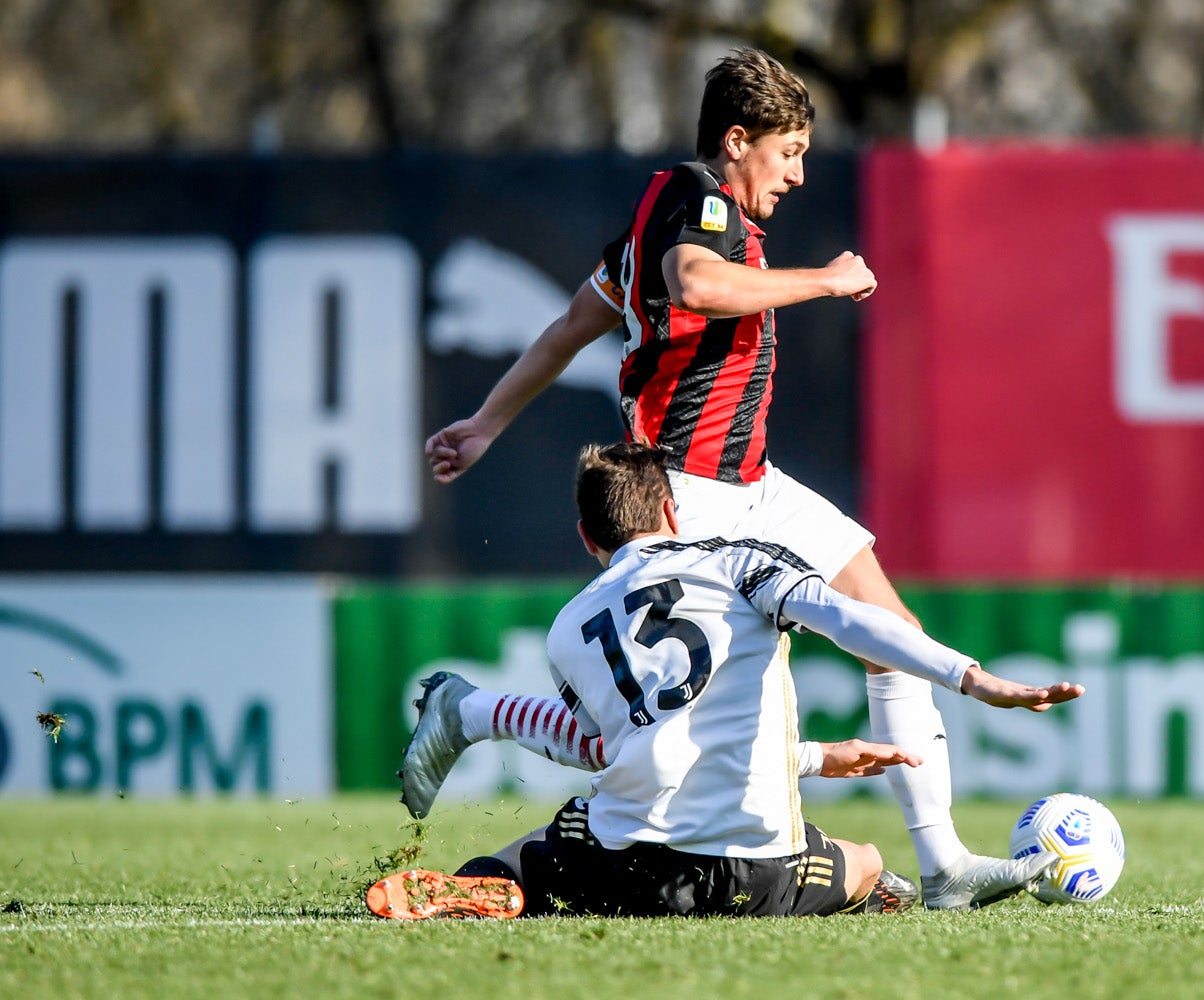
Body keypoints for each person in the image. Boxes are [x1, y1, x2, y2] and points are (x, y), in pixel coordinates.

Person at [422, 47, 1068, 909]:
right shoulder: (694, 201)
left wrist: (486, 423)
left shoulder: (670, 228)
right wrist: (827, 282)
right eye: (789, 151)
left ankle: (945, 863)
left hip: (753, 480)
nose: (799, 174)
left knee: (888, 625)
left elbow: (569, 328)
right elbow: (695, 282)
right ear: (737, 141)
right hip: (691, 494)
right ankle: (488, 734)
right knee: (669, 719)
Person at [370, 443, 1083, 920]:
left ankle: (486, 873)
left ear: (589, 539)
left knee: (531, 852)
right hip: (755, 878)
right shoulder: (742, 564)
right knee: (864, 863)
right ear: (674, 512)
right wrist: (970, 676)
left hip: (629, 871)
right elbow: (853, 620)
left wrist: (812, 756)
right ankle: (862, 887)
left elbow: (603, 749)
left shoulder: (570, 628)